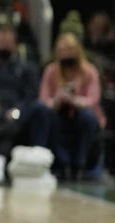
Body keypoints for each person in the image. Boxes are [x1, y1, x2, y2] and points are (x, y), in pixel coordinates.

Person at [39, 33, 104, 178]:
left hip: (82, 116)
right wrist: (58, 99)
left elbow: (93, 100)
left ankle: (80, 163)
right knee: (49, 117)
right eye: (62, 50)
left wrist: (72, 100)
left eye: (69, 49)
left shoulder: (89, 71)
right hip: (59, 115)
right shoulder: (51, 71)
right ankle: (64, 164)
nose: (66, 53)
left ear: (78, 50)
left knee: (88, 117)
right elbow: (43, 101)